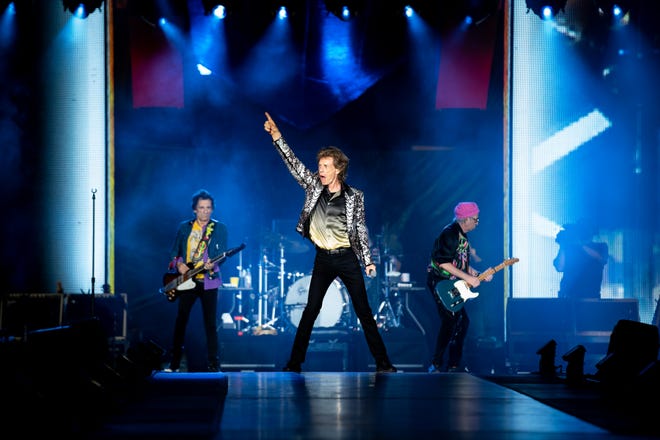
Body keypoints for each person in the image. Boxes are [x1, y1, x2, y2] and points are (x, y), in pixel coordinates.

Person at [263, 111, 397, 374]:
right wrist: (277, 137)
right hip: (323, 258)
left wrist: (367, 261)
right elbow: (293, 164)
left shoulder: (354, 197)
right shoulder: (313, 186)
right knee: (310, 309)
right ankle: (294, 363)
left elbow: (360, 230)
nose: (320, 170)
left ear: (338, 169)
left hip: (347, 258)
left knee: (363, 311)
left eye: (325, 167)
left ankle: (383, 363)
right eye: (319, 166)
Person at [165, 189, 227, 372]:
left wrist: (213, 262)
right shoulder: (185, 227)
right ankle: (174, 363)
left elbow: (222, 253)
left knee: (210, 323)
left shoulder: (219, 228)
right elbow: (173, 252)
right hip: (186, 281)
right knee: (181, 320)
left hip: (209, 280)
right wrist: (179, 264)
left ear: (212, 209)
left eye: (208, 208)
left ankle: (214, 364)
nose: (205, 211)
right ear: (194, 210)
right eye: (201, 208)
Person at [426, 202, 492, 373]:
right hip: (441, 282)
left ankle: (453, 364)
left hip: (452, 283)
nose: (477, 223)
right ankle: (438, 363)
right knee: (452, 320)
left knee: (462, 322)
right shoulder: (450, 233)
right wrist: (468, 277)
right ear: (467, 219)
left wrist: (478, 275)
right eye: (476, 220)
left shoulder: (463, 236)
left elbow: (462, 265)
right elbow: (443, 262)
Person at [553, 221, 608, 299]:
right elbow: (560, 267)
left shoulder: (600, 246)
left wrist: (580, 244)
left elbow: (601, 258)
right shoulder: (569, 248)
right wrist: (563, 245)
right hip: (568, 297)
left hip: (590, 297)